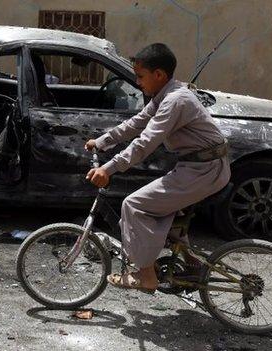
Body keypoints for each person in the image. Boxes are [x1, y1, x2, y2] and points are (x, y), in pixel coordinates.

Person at [84, 43, 231, 293]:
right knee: (167, 213)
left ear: (159, 75)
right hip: (198, 167)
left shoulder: (175, 100)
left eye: (140, 76)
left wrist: (108, 169)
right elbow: (136, 123)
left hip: (204, 170)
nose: (138, 82)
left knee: (133, 205)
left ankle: (146, 276)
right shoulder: (165, 94)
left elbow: (145, 142)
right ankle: (194, 264)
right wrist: (102, 141)